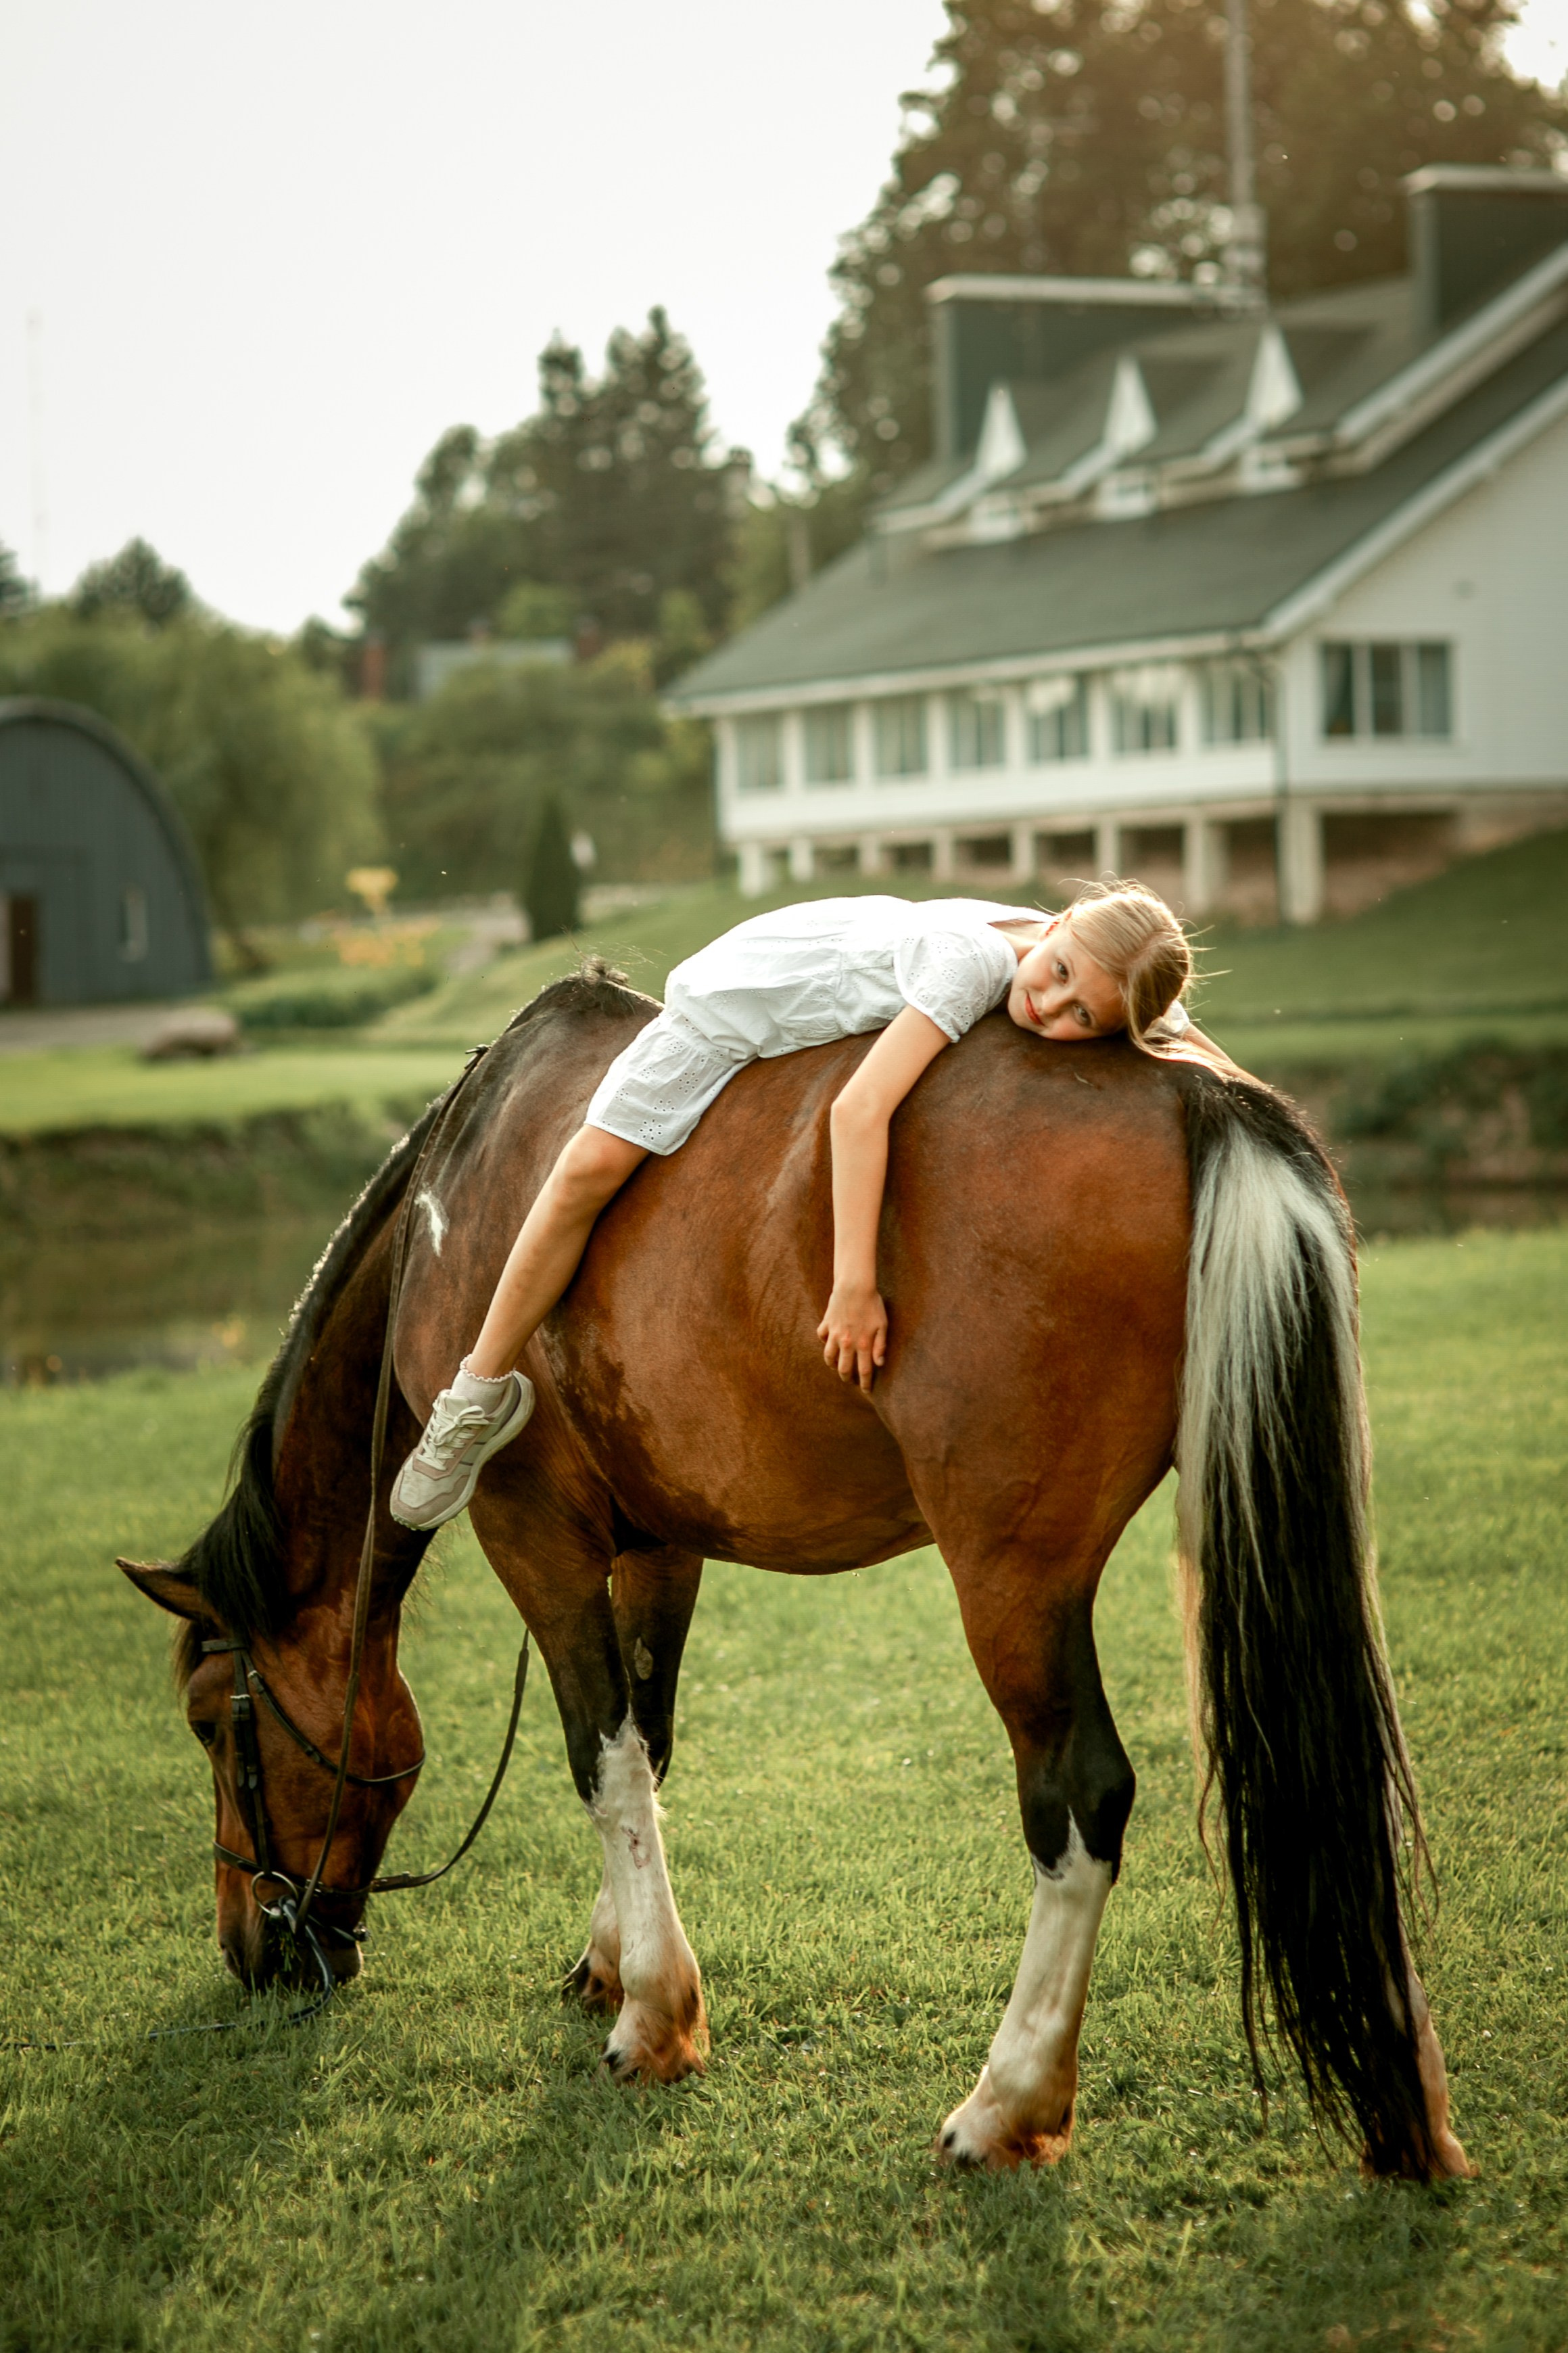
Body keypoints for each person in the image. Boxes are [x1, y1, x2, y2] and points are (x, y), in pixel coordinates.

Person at [391, 883, 1195, 1532]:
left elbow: (1179, 1028)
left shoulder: (1092, 952)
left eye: (1082, 1017)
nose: (1048, 1006)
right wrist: (853, 1286)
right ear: (1059, 923)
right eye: (1056, 973)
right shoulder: (970, 964)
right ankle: (476, 1390)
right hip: (740, 1002)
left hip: (827, 972)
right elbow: (855, 1112)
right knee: (585, 1168)